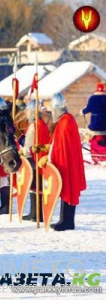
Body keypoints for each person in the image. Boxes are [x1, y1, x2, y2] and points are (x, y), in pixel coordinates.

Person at [37, 93, 86, 231]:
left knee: (68, 188)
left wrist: (48, 158)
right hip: (67, 161)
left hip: (66, 163)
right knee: (66, 188)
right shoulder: (65, 120)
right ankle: (64, 220)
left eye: (53, 110)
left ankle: (67, 221)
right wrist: (42, 148)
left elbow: (60, 148)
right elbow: (56, 144)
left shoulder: (65, 122)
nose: (52, 113)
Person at [20, 100, 50, 222]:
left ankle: (36, 214)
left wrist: (26, 151)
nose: (26, 114)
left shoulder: (37, 125)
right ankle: (35, 213)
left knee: (36, 186)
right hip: (34, 158)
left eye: (28, 111)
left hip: (35, 159)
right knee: (35, 186)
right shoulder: (36, 124)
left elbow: (36, 144)